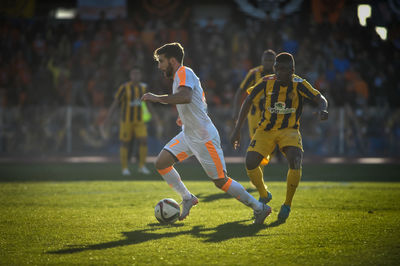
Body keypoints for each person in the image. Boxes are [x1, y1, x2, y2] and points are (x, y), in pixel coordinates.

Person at [141, 42, 271, 224]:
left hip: (204, 138)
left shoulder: (184, 72)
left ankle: (259, 208)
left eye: (161, 61)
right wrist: (183, 118)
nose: (159, 66)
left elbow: (185, 97)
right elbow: (197, 101)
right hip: (189, 133)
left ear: (172, 60)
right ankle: (187, 197)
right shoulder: (181, 76)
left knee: (221, 181)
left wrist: (157, 98)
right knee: (162, 163)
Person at [230, 52, 328, 221]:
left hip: (289, 130)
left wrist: (323, 108)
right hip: (266, 129)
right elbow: (247, 100)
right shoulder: (266, 81)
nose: (280, 73)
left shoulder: (299, 83)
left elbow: (320, 98)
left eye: (284, 70)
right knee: (250, 162)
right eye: (278, 69)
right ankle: (264, 193)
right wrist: (237, 129)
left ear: (292, 70)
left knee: (295, 159)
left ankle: (287, 204)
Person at [232, 49, 277, 204]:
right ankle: (258, 177)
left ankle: (259, 173)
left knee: (269, 145)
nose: (268, 63)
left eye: (271, 61)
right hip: (255, 113)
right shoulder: (254, 73)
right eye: (266, 60)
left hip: (272, 114)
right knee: (256, 143)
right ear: (262, 60)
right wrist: (235, 111)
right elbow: (240, 90)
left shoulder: (279, 75)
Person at [103, 67, 158, 176]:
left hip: (140, 120)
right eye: (134, 74)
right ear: (130, 76)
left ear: (140, 76)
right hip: (126, 120)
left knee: (143, 140)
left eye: (138, 74)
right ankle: (124, 168)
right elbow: (115, 103)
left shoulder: (144, 87)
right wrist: (108, 117)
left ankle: (142, 166)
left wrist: (154, 116)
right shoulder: (124, 88)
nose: (136, 76)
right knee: (125, 142)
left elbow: (148, 103)